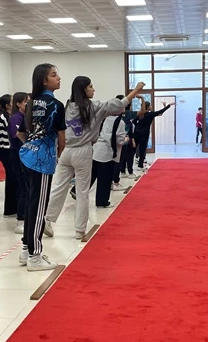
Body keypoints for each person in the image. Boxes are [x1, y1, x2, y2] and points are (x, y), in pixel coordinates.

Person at [45, 78, 145, 240]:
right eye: (91, 86)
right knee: (82, 192)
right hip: (83, 151)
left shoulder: (67, 106)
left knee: (58, 187)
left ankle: (47, 219)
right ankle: (79, 229)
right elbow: (118, 104)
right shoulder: (92, 106)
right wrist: (136, 91)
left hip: (66, 150)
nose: (93, 89)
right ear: (84, 89)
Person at [17, 64, 66, 271]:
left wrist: (31, 146)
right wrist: (55, 155)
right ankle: (35, 256)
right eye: (54, 75)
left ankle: (26, 249)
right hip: (42, 161)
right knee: (39, 208)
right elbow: (62, 139)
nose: (59, 78)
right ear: (45, 81)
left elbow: (20, 133)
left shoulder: (30, 103)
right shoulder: (56, 105)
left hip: (26, 156)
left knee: (31, 204)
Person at [91, 110, 129, 207]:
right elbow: (120, 141)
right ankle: (102, 201)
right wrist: (126, 139)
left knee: (94, 175)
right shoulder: (120, 122)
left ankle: (76, 191)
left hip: (97, 149)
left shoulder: (105, 119)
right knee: (105, 179)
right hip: (108, 153)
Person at [0, 94, 17, 218]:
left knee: (13, 178)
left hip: (8, 149)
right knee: (12, 178)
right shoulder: (5, 117)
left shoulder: (9, 116)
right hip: (6, 150)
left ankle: (13, 208)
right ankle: (10, 209)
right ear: (8, 105)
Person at [9, 92, 29, 234]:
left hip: (25, 155)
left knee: (27, 186)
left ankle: (26, 216)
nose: (28, 104)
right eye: (25, 102)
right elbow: (17, 135)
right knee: (23, 187)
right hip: (17, 155)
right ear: (18, 104)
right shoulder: (16, 118)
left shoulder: (25, 117)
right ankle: (20, 220)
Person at [133, 100, 173, 169]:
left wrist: (138, 126)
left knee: (133, 149)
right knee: (142, 149)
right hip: (144, 133)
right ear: (147, 107)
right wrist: (168, 105)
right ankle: (140, 165)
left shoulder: (139, 113)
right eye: (150, 105)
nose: (151, 106)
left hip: (136, 132)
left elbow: (134, 121)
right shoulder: (150, 114)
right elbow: (160, 112)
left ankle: (130, 166)